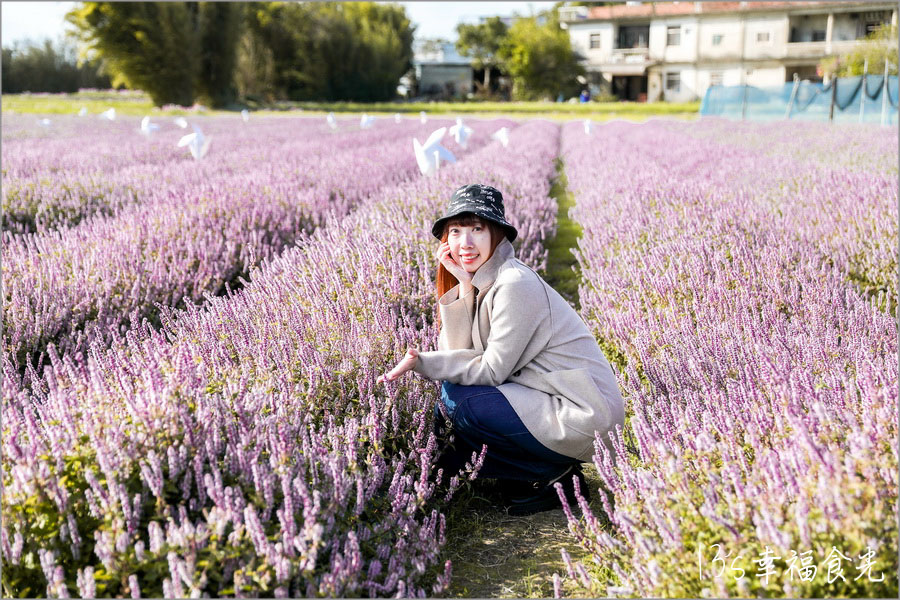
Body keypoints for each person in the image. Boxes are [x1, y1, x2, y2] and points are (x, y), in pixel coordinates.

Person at [377, 183, 625, 515]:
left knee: (460, 402)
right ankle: (456, 476)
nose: (465, 242)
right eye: (456, 231)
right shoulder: (483, 281)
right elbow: (459, 351)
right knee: (453, 402)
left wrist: (423, 363)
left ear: (497, 235)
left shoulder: (514, 285)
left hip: (581, 412)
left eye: (477, 229)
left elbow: (490, 370)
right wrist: (462, 285)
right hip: (545, 398)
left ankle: (549, 474)